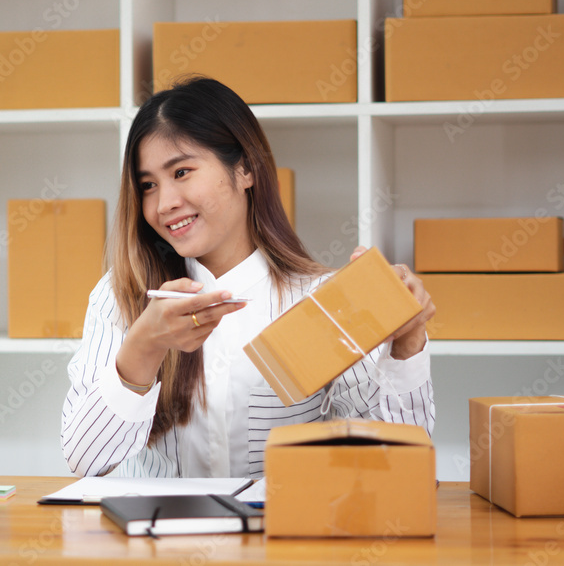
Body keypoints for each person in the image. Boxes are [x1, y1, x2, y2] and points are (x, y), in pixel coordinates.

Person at [61, 77, 435, 479]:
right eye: (148, 185)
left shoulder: (320, 300)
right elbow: (86, 460)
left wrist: (408, 342)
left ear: (245, 169)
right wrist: (144, 346)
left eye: (182, 172)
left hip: (282, 534)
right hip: (157, 537)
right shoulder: (121, 297)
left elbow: (398, 469)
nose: (164, 203)